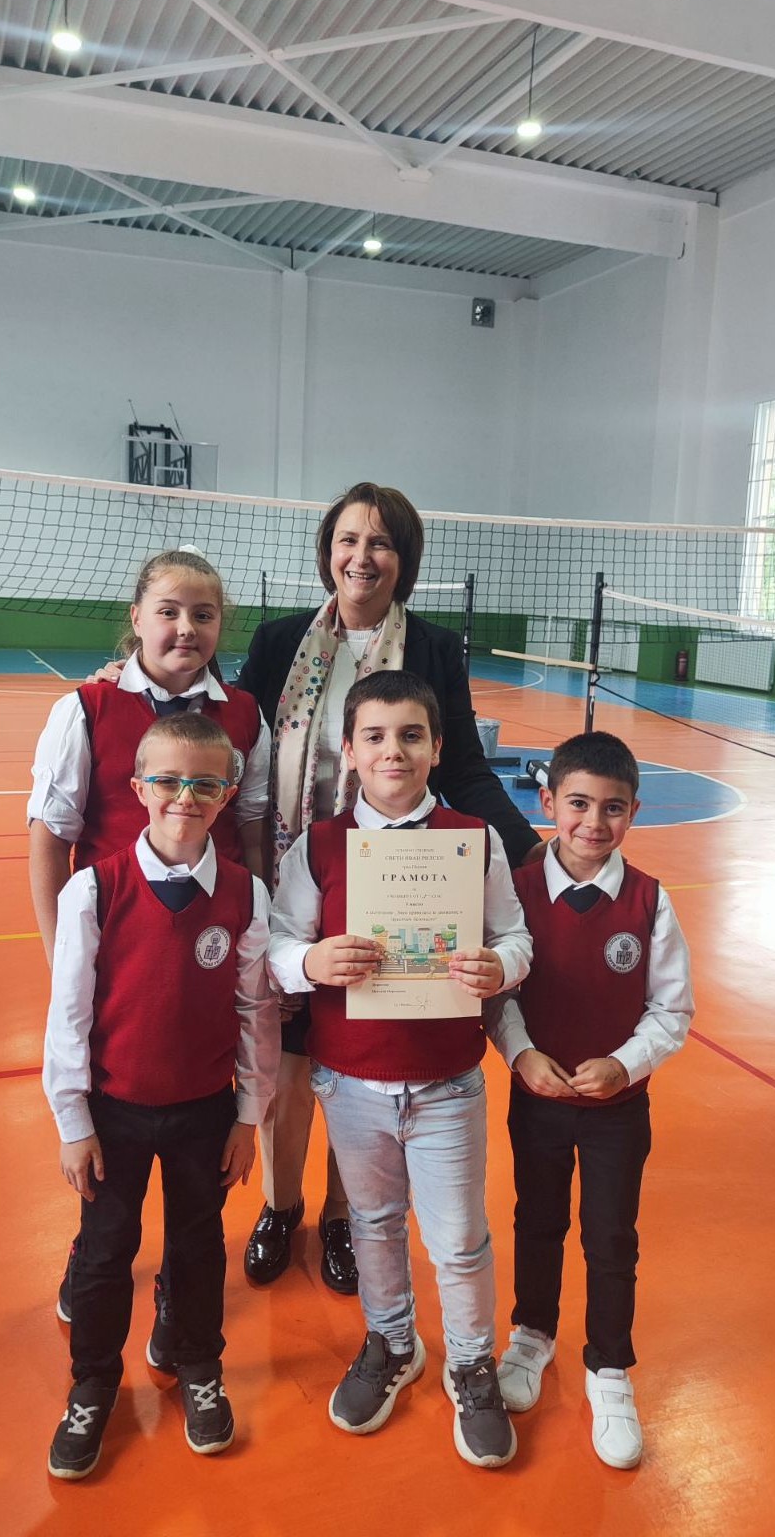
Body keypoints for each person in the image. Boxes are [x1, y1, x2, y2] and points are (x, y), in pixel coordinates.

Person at [237, 483, 543, 1294]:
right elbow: (231, 737)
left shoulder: (433, 648)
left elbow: (465, 767)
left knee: (359, 1057)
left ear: (403, 559)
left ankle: (342, 1216)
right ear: (327, 551)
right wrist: (128, 681)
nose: (361, 556)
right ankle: (281, 1206)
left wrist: (529, 852)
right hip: (299, 871)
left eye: (380, 542)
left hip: (399, 879)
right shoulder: (279, 642)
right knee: (290, 1060)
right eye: (348, 539)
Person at [268, 671, 533, 1468]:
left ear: (438, 747)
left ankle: (472, 1363)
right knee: (374, 1225)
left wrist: (500, 966)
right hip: (351, 1085)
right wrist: (310, 960)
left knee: (458, 1240)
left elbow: (516, 936)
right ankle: (391, 1341)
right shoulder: (319, 846)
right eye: (376, 736)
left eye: (412, 735)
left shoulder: (472, 840)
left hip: (447, 1082)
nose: (394, 751)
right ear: (348, 751)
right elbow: (278, 944)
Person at [29, 548, 270, 1347]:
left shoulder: (245, 716)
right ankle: (93, 1253)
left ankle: (178, 1288)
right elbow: (49, 838)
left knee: (196, 1138)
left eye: (203, 614)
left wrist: (261, 936)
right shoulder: (88, 708)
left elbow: (253, 834)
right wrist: (62, 956)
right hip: (118, 950)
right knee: (112, 1127)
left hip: (206, 951)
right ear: (136, 618)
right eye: (168, 611)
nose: (185, 627)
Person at [43, 713, 280, 1479]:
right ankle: (93, 1384)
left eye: (205, 784)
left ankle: (198, 1362)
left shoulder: (245, 894)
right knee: (106, 1251)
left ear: (228, 793)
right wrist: (73, 1121)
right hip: (113, 1114)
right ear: (139, 787)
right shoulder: (94, 889)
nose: (186, 796)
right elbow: (69, 1015)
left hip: (204, 1112)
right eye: (169, 780)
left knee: (198, 1246)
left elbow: (255, 1011)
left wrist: (249, 1115)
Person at [491, 731, 693, 1470]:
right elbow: (499, 995)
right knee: (537, 1219)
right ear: (547, 801)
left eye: (613, 808)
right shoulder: (514, 891)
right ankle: (532, 1334)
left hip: (617, 1108)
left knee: (610, 1236)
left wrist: (624, 1065)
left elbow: (671, 1010)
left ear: (634, 812)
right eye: (578, 804)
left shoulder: (649, 900)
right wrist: (522, 1055)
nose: (593, 823)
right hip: (538, 1098)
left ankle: (609, 1366)